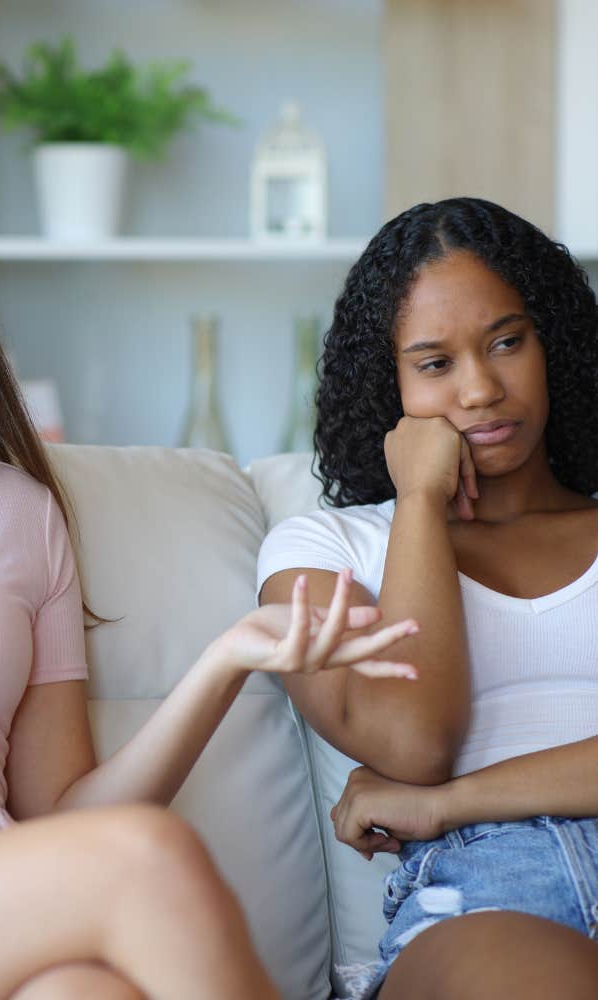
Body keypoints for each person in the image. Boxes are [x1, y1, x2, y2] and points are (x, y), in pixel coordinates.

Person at [0, 120, 420, 1000]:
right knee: (145, 858)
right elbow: (115, 854)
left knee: (84, 991)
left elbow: (64, 816)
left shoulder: (19, 512)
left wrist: (228, 657)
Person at [258, 195, 598, 999]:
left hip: (461, 821)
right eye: (435, 364)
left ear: (552, 343)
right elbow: (412, 745)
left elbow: (425, 782)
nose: (480, 390)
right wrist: (417, 501)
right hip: (489, 896)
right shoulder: (327, 549)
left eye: (507, 342)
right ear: (390, 386)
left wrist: (447, 802)